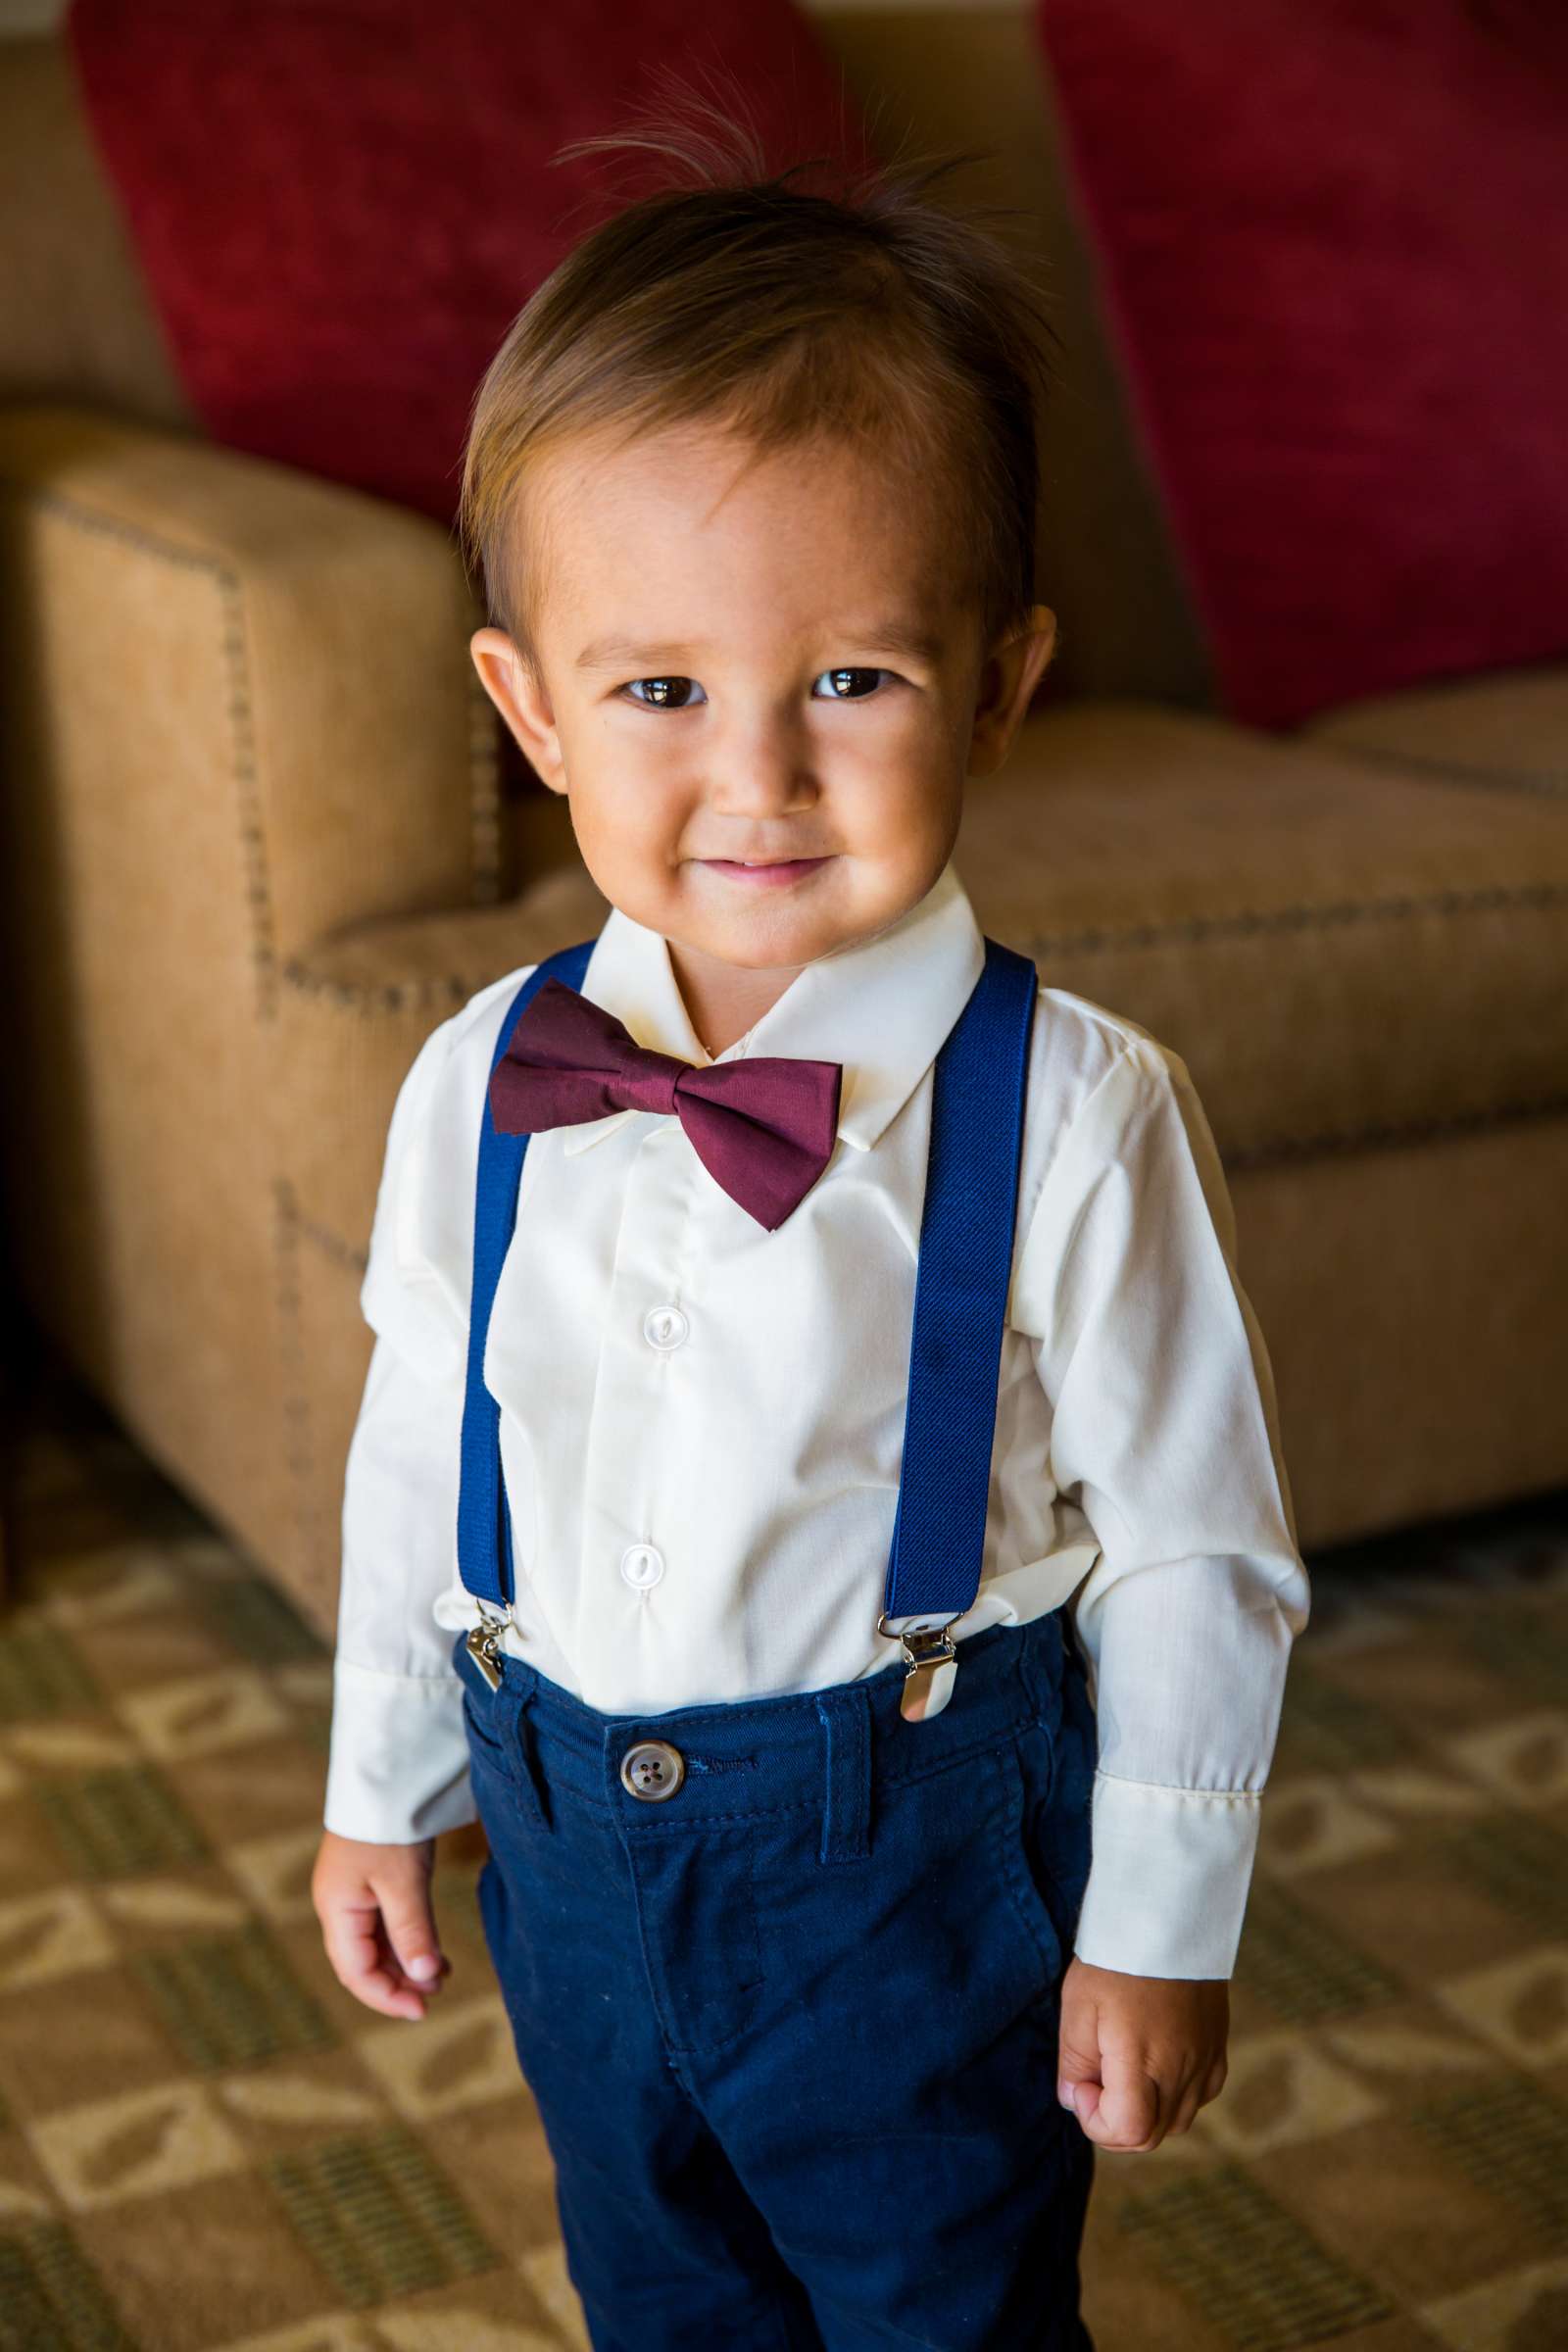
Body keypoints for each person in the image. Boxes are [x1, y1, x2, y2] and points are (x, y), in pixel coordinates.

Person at [312, 108, 1310, 2352]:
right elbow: (416, 1440)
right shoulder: (480, 1074)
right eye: (659, 688)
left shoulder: (1073, 1111)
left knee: (936, 2307)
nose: (754, 774)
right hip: (563, 1848)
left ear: (1001, 680)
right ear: (530, 711)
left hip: (913, 1875)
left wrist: (1160, 1919)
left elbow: (1191, 1546)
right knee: (655, 2293)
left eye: (849, 678)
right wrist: (384, 1777)